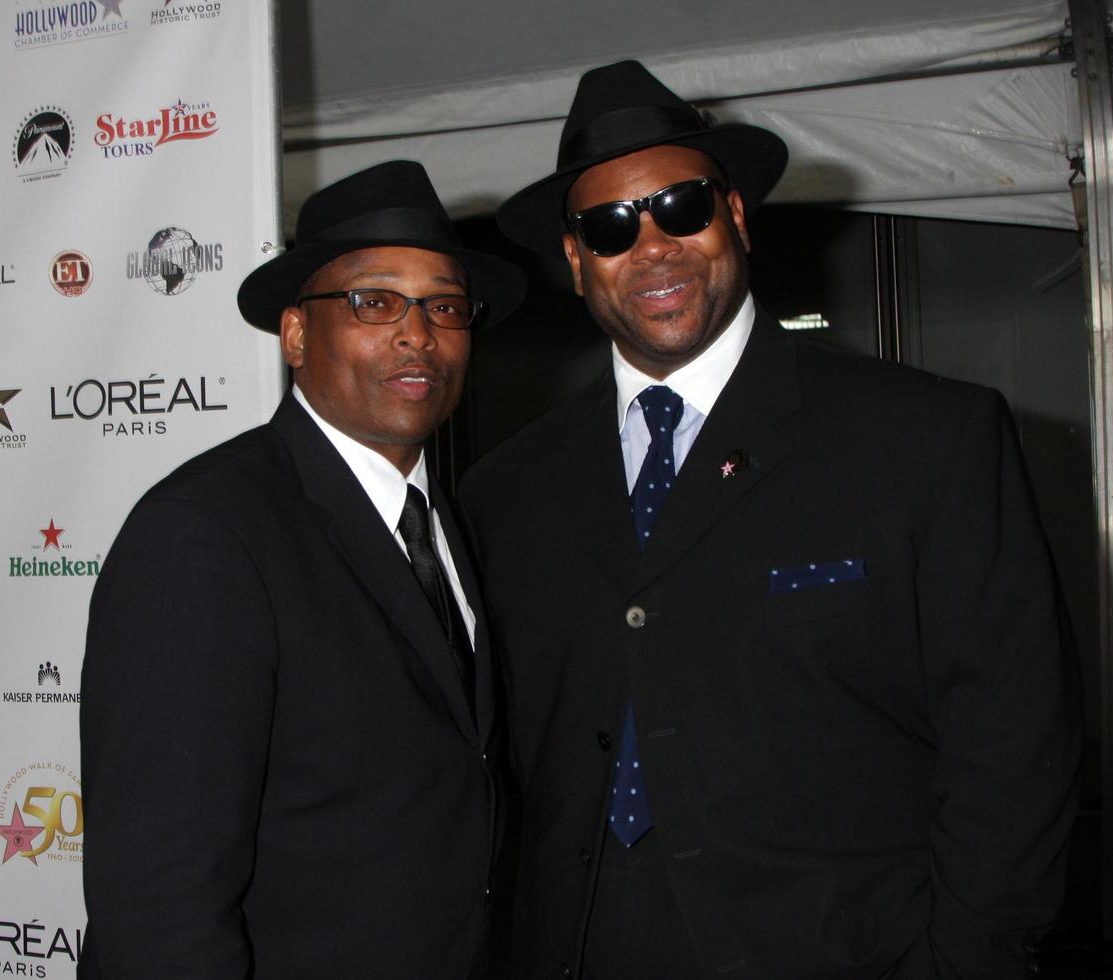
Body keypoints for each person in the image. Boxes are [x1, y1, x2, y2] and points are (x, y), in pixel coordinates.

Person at [458, 60, 1081, 979]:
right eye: (610, 226)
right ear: (575, 261)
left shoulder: (924, 439)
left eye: (682, 207)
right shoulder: (503, 491)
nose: (654, 245)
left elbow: (1014, 743)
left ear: (736, 216)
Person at [79, 160, 525, 979]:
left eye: (445, 306)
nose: (416, 333)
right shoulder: (205, 532)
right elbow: (156, 896)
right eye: (373, 301)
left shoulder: (448, 522)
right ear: (294, 334)